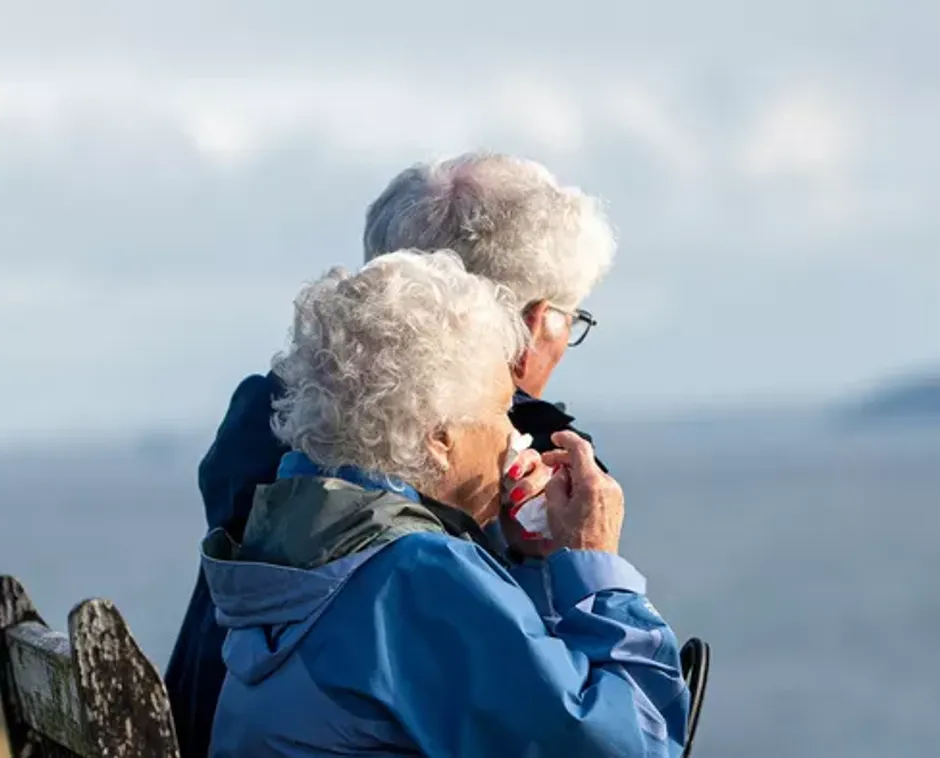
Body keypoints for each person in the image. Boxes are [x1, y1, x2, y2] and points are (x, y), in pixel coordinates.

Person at [164, 152, 618, 756]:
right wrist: (586, 568)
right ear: (532, 324)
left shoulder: (276, 425)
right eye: (571, 317)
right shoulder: (444, 521)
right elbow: (585, 730)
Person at [204, 251, 689, 757]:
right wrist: (594, 567)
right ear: (439, 438)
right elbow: (633, 745)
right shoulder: (416, 574)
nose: (514, 435)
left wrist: (532, 563)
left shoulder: (297, 545)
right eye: (502, 411)